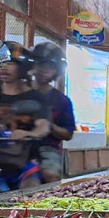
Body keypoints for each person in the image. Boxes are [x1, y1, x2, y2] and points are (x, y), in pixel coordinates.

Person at [0, 41, 51, 189]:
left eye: (10, 64)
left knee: (30, 189)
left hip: (25, 161)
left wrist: (29, 133)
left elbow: (43, 125)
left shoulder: (36, 97)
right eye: (0, 64)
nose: (3, 68)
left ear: (23, 67)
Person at [31, 42, 76, 182]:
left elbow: (68, 134)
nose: (44, 69)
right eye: (41, 64)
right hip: (17, 144)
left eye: (50, 66)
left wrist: (49, 126)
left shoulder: (62, 101)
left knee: (51, 175)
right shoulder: (20, 91)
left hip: (47, 148)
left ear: (56, 70)